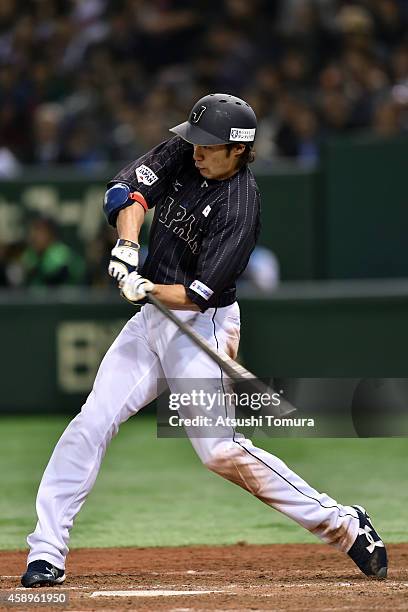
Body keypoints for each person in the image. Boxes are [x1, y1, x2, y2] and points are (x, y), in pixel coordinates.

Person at [21, 93, 387, 588]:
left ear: (238, 149)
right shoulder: (185, 150)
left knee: (218, 452)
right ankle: (46, 551)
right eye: (196, 139)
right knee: (92, 422)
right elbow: (123, 194)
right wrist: (128, 246)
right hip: (150, 322)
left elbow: (198, 296)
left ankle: (345, 524)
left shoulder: (241, 208)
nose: (197, 149)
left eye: (210, 145)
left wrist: (144, 285)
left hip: (202, 329)